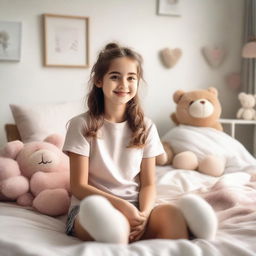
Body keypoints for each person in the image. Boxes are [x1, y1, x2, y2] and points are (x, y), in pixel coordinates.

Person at [63, 42, 217, 244]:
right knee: (102, 216)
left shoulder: (146, 127)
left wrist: (143, 214)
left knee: (170, 214)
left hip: (135, 207)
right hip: (90, 208)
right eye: (115, 77)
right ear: (99, 81)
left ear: (137, 82)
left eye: (131, 78)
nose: (123, 85)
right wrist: (121, 206)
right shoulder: (81, 124)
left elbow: (149, 183)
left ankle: (198, 233)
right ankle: (116, 234)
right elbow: (78, 186)